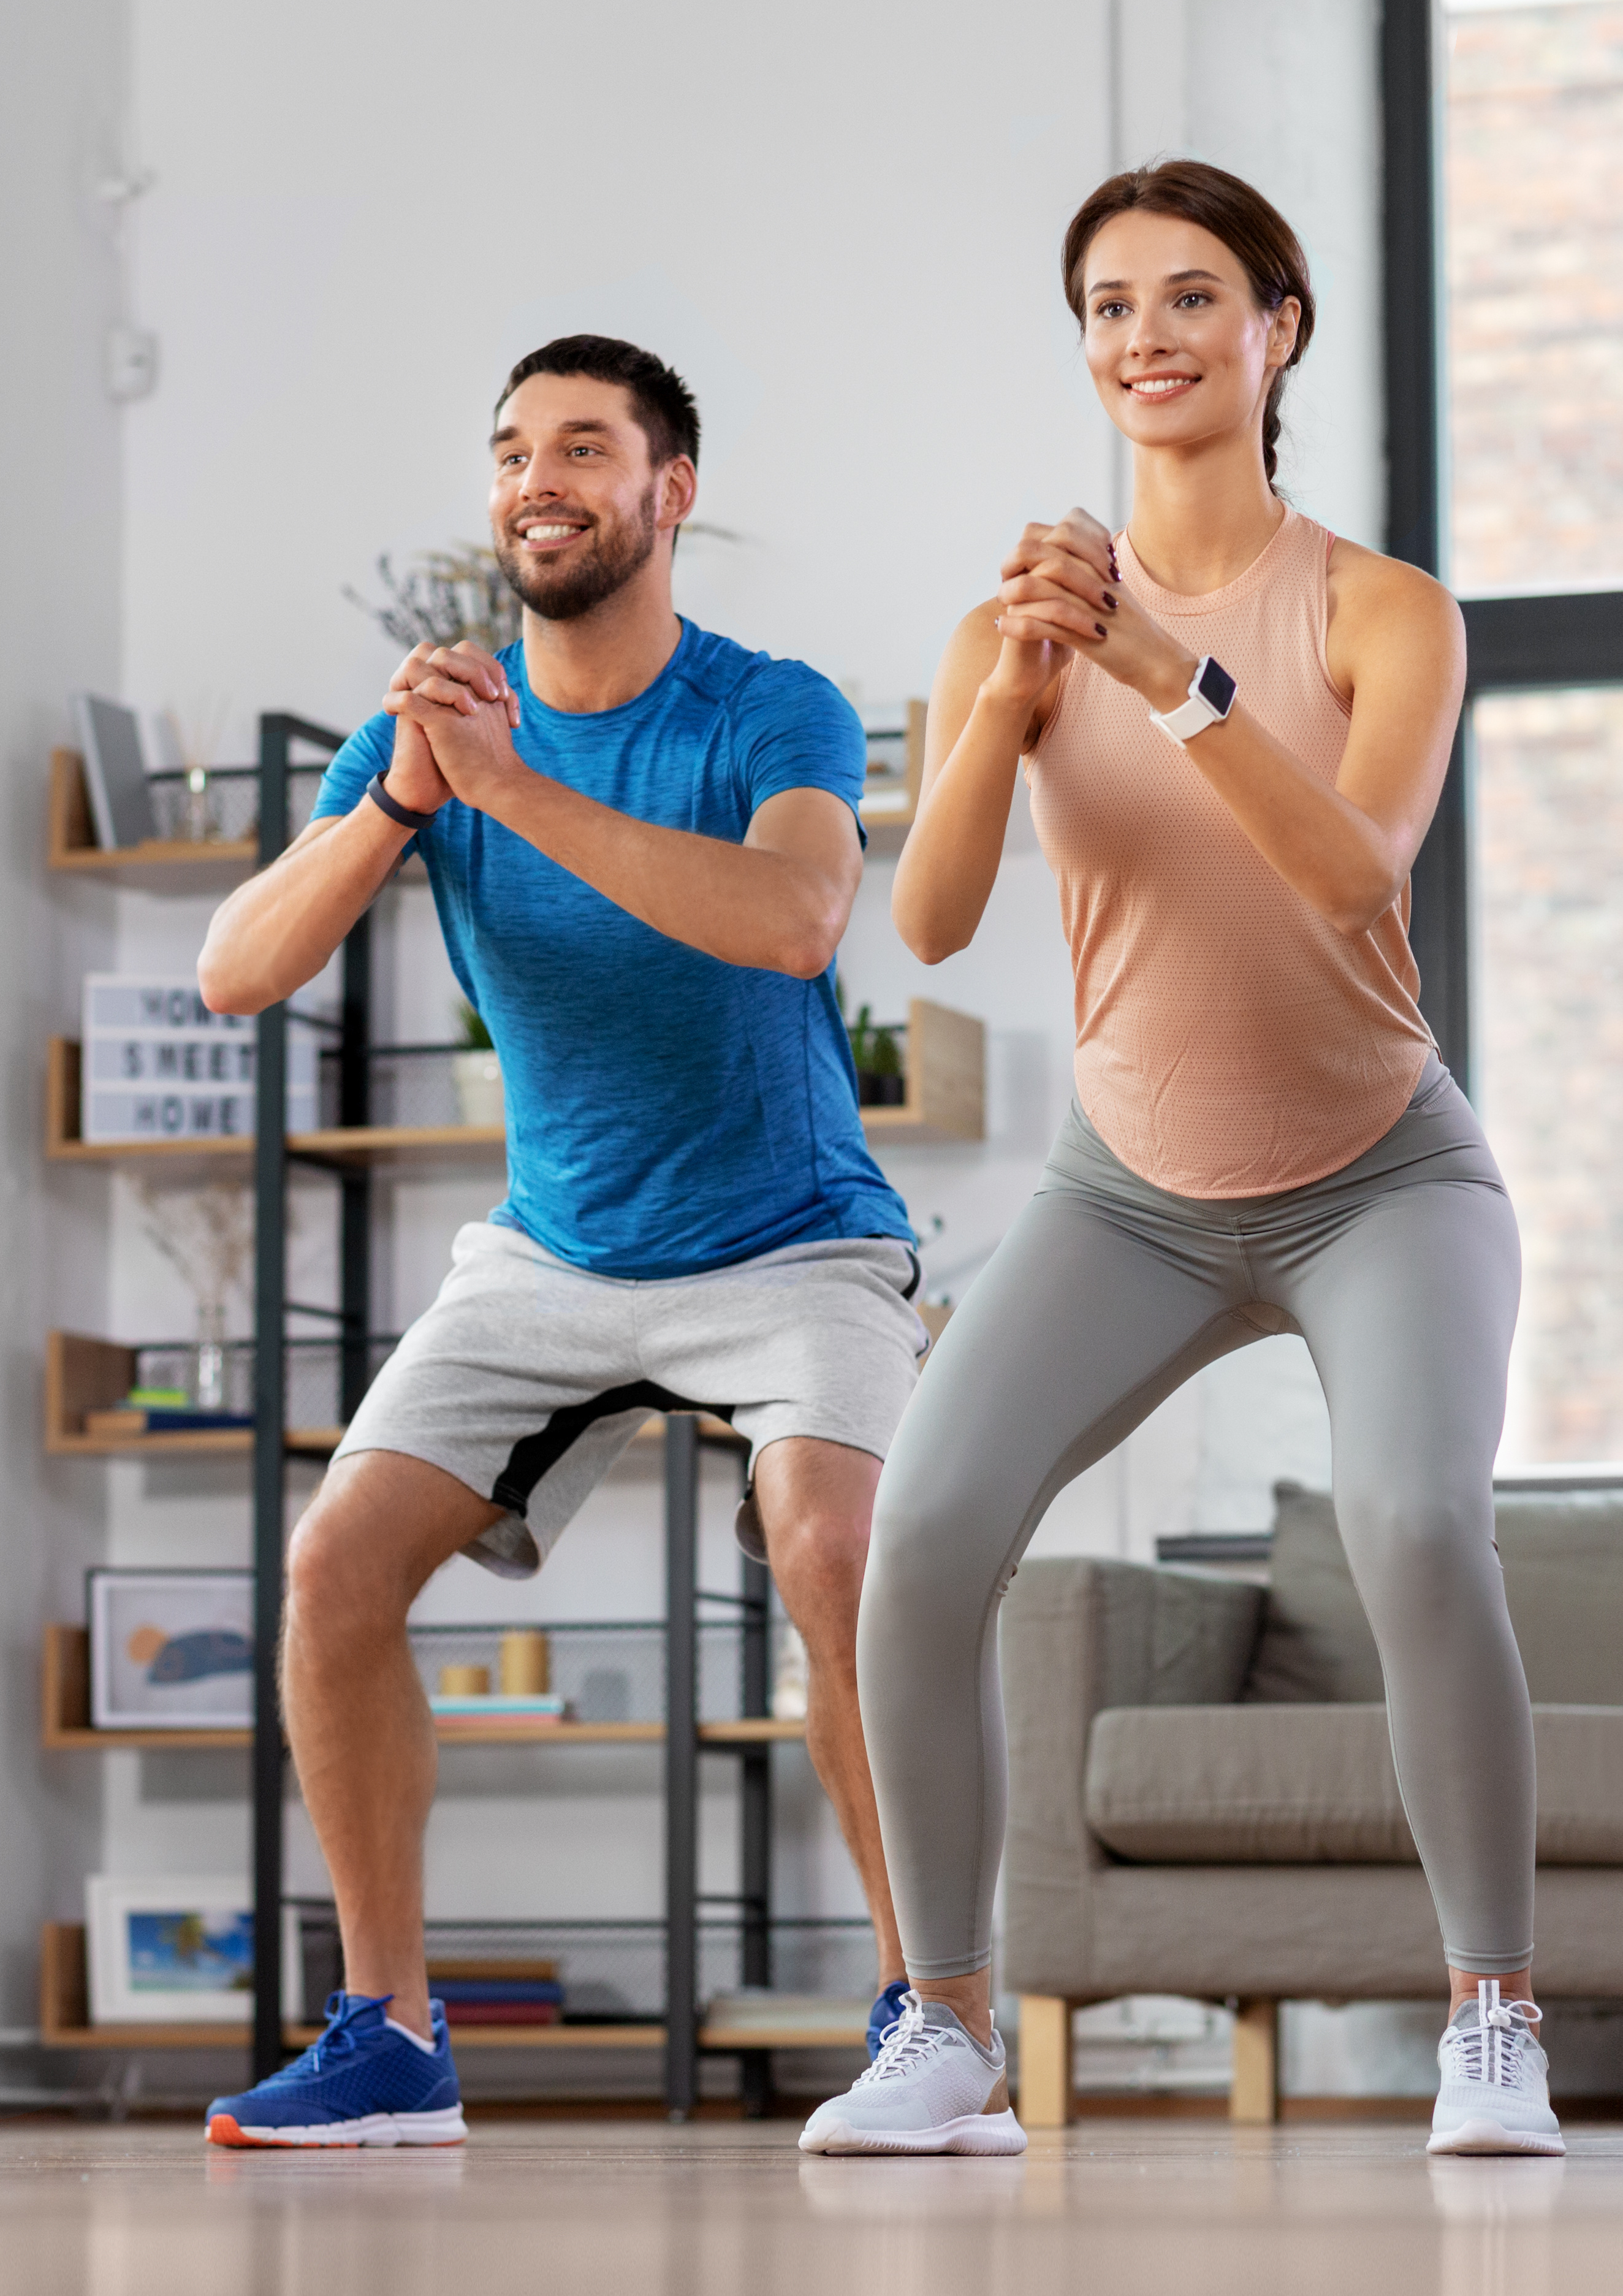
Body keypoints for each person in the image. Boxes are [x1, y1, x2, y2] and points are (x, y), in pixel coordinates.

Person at [802, 161, 1560, 2161]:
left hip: (1382, 1174)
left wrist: (1166, 671)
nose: (1146, 336)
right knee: (920, 1536)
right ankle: (943, 2025)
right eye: (1111, 306)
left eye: (1191, 297)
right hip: (1125, 1193)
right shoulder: (1013, 630)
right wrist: (1016, 697)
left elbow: (1347, 880)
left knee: (1411, 1526)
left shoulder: (1380, 609)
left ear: (1274, 331)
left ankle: (1494, 2013)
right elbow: (943, 918)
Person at [196, 334, 923, 2148]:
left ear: (669, 493)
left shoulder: (770, 706)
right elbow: (236, 971)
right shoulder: (420, 738)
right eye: (514, 447)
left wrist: (512, 789)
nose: (541, 476)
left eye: (585, 447)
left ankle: (932, 2014)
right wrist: (394, 801)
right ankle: (391, 2036)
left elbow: (792, 913)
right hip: (554, 1251)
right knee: (330, 1571)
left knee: (832, 1546)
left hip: (791, 1240)